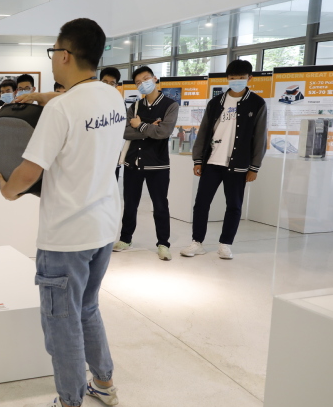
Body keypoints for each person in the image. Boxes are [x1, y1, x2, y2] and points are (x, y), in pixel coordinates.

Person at [0, 18, 124, 407]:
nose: (53, 58)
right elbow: (77, 102)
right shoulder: (112, 96)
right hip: (103, 226)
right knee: (87, 307)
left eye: (54, 51)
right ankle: (103, 382)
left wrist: (8, 191)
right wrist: (42, 96)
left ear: (65, 55)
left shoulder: (62, 110)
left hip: (66, 234)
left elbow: (28, 171)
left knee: (61, 322)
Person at [181, 59, 267, 260]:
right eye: (232, 78)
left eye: (241, 78)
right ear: (227, 78)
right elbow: (203, 132)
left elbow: (260, 137)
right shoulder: (216, 102)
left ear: (249, 78)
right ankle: (197, 242)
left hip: (238, 165)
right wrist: (197, 160)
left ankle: (225, 244)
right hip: (212, 162)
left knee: (234, 206)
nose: (236, 81)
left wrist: (254, 167)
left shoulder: (257, 103)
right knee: (201, 203)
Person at [113, 65, 178, 261]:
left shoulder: (170, 105)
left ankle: (163, 244)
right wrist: (150, 128)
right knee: (130, 204)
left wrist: (140, 125)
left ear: (155, 78)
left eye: (145, 79)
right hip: (133, 163)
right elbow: (124, 131)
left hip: (158, 165)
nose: (143, 84)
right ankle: (125, 239)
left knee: (160, 205)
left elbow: (163, 132)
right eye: (138, 82)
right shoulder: (135, 106)